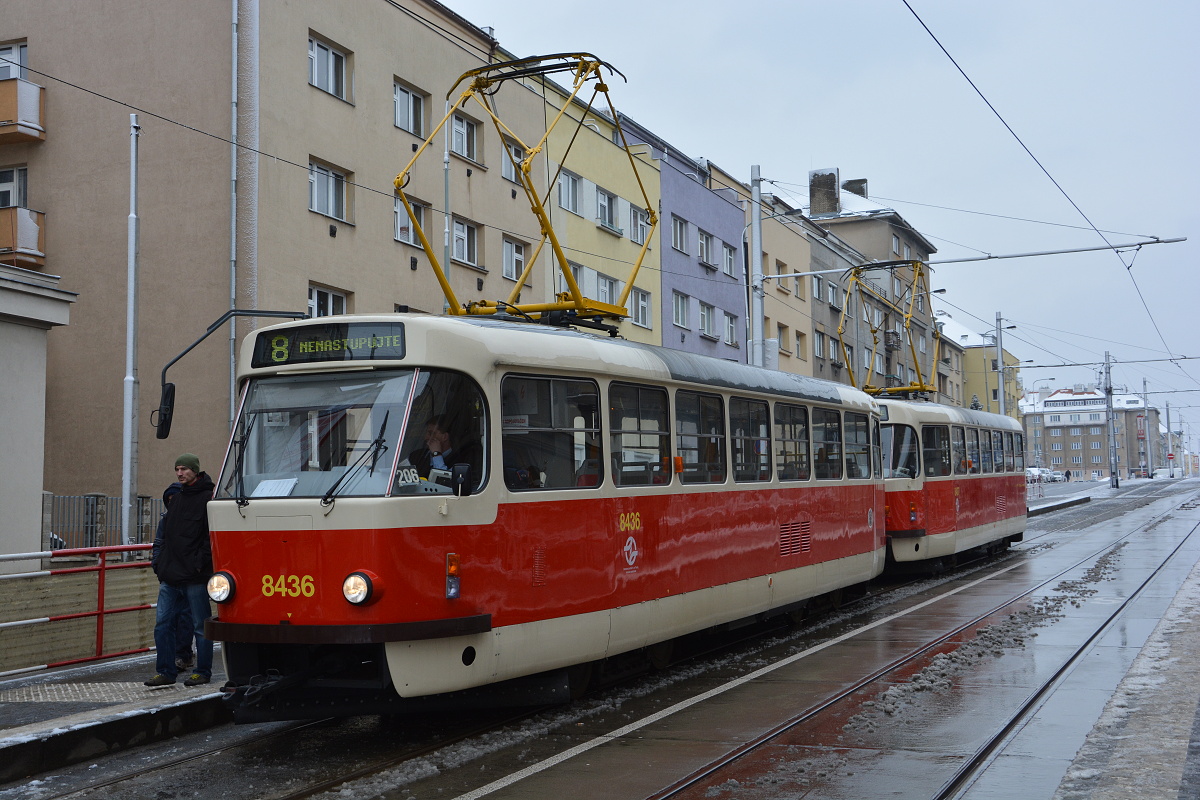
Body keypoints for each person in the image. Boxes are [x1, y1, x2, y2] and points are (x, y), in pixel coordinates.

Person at [145, 454, 216, 688]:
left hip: (194, 577)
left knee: (200, 625)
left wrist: (197, 565)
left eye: (184, 468)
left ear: (195, 470)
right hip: (171, 575)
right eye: (177, 469)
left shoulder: (209, 499)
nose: (179, 473)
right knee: (162, 624)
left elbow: (210, 539)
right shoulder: (176, 499)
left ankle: (203, 671)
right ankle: (165, 671)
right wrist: (161, 565)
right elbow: (165, 536)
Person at [150, 482, 195, 671]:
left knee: (185, 618)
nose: (172, 503)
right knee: (165, 621)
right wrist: (158, 566)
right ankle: (169, 662)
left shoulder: (192, 518)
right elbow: (158, 544)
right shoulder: (166, 520)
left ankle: (182, 656)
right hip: (170, 575)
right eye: (169, 500)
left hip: (189, 575)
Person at [406, 414, 483, 491]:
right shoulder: (416, 456)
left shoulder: (460, 460)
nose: (426, 437)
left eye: (431, 433)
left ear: (445, 437)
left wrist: (436, 455)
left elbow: (444, 483)